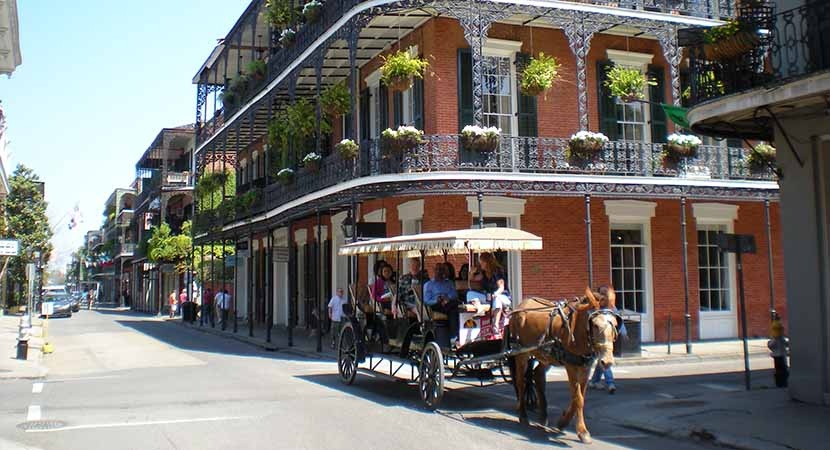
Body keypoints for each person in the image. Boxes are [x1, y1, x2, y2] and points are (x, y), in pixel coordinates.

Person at [588, 288, 626, 394]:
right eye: (603, 293)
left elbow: (619, 319)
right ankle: (610, 383)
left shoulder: (611, 308)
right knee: (605, 360)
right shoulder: (595, 307)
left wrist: (623, 332)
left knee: (603, 360)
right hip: (597, 340)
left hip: (608, 339)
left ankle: (594, 381)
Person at [424, 262, 459, 338]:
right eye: (437, 269)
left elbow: (454, 294)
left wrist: (447, 298)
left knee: (456, 307)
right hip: (435, 306)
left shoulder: (449, 283)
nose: (439, 272)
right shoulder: (429, 284)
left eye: (442, 269)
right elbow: (426, 300)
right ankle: (454, 336)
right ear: (434, 271)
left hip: (448, 303)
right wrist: (437, 300)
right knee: (453, 310)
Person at [479, 252, 510, 338]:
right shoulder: (484, 273)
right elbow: (472, 283)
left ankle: (495, 325)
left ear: (487, 262)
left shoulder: (497, 271)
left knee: (498, 299)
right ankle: (479, 308)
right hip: (488, 297)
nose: (480, 263)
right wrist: (470, 275)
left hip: (503, 297)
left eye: (482, 261)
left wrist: (495, 294)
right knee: (470, 294)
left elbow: (501, 288)